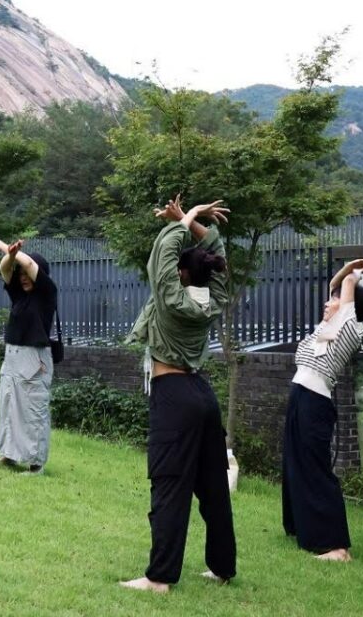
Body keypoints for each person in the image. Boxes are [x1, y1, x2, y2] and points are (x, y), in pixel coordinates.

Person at [121, 196, 236, 593]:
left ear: (184, 275)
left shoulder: (173, 300)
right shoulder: (212, 300)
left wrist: (186, 219)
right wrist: (194, 224)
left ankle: (159, 578)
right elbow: (215, 257)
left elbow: (161, 259)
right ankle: (222, 567)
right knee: (212, 486)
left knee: (169, 484)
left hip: (174, 395)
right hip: (202, 394)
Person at [282, 258, 363, 562]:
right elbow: (337, 284)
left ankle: (338, 547)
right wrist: (346, 268)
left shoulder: (349, 331)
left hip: (314, 403)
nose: (328, 301)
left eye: (334, 301)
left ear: (348, 308)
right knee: (295, 464)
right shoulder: (327, 330)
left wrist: (353, 277)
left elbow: (344, 289)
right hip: (300, 397)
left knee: (317, 470)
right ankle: (304, 530)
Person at [0, 238, 58, 474]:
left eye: (27, 273)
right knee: (9, 407)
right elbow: (4, 268)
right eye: (21, 273)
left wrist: (5, 247)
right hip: (13, 357)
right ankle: (9, 455)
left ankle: (36, 465)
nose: (23, 276)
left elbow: (32, 266)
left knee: (32, 410)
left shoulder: (47, 293)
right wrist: (11, 256)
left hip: (34, 361)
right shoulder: (19, 295)